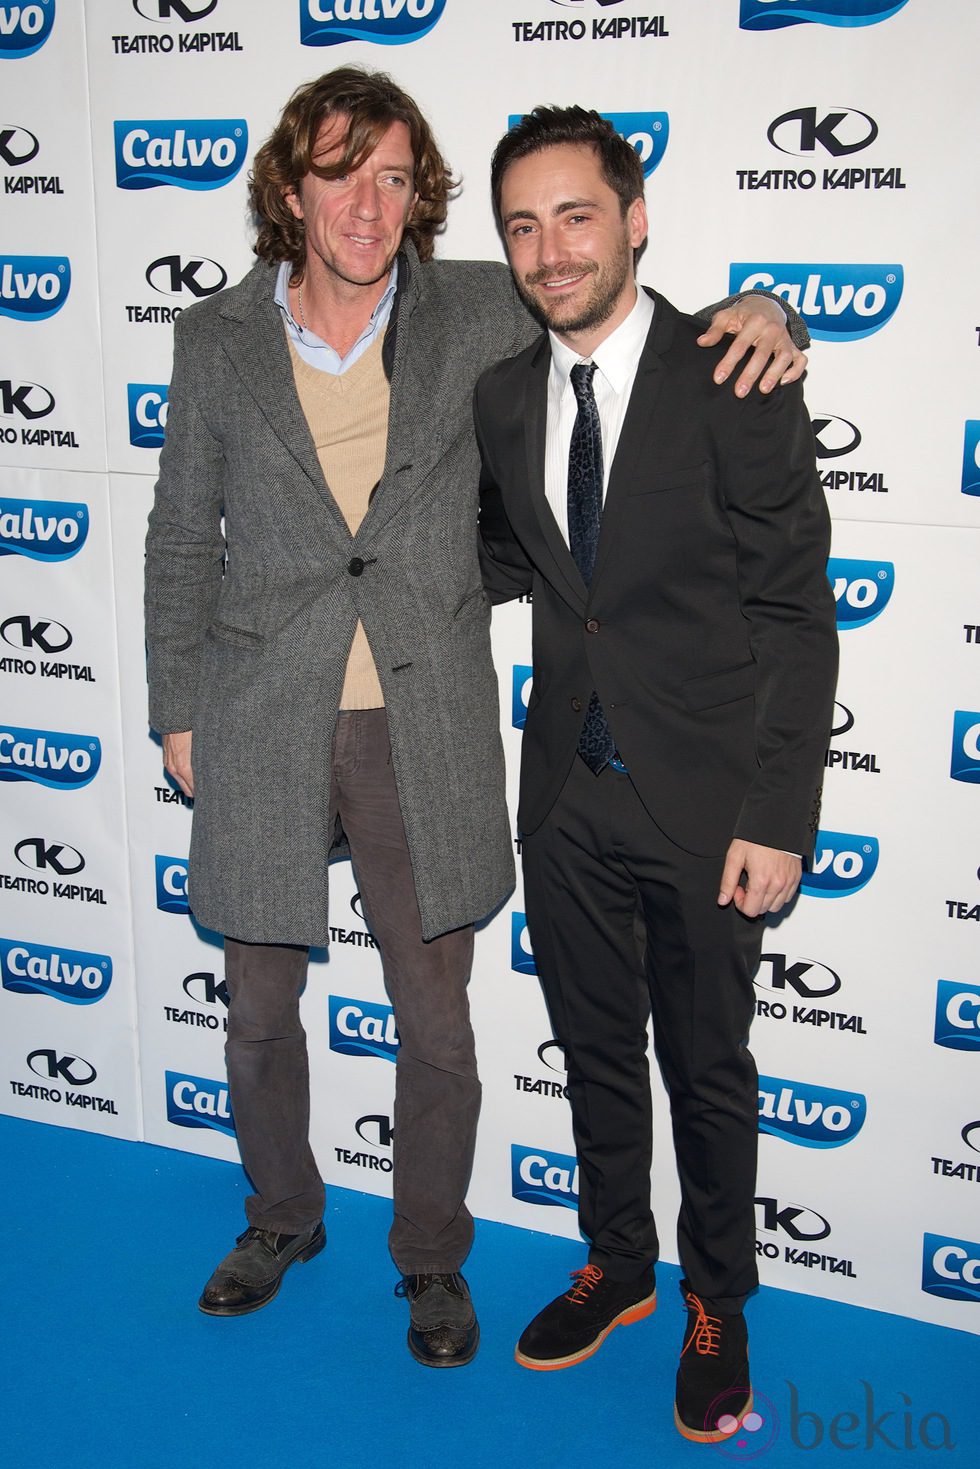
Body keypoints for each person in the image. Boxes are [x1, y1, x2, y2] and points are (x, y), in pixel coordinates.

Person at [144, 67, 808, 1370]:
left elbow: (609, 294)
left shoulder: (473, 307)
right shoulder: (215, 336)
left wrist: (770, 307)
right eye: (342, 171)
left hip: (421, 718)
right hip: (265, 710)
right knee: (260, 1009)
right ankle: (283, 1215)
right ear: (291, 186)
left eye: (395, 176)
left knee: (440, 1021)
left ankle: (438, 1255)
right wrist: (176, 705)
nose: (368, 201)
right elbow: (180, 534)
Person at [475, 106, 838, 1432]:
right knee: (594, 1052)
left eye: (576, 214)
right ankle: (619, 1261)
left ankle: (716, 1296)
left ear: (635, 219)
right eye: (522, 223)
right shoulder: (504, 391)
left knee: (708, 1061)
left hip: (705, 803)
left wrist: (778, 812)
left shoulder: (733, 369)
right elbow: (514, 565)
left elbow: (798, 608)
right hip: (565, 796)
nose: (549, 248)